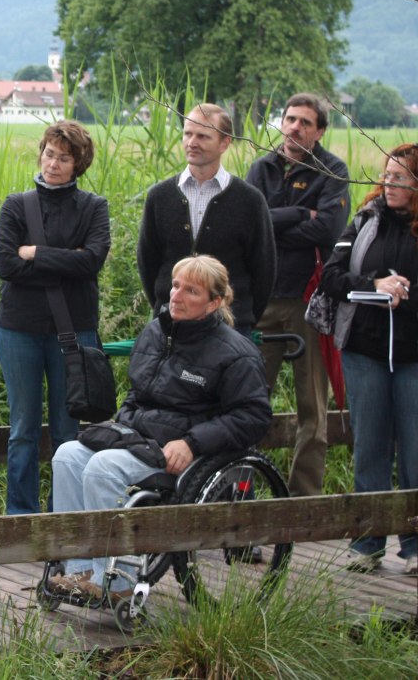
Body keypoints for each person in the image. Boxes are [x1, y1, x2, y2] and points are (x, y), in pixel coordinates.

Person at [47, 255, 272, 601]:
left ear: (214, 303)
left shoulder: (235, 354)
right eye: (176, 285)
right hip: (139, 437)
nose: (176, 295)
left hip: (184, 452)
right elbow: (137, 391)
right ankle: (80, 570)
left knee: (101, 469)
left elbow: (254, 417)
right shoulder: (155, 332)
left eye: (191, 291)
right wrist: (124, 422)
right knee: (67, 455)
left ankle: (117, 585)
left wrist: (192, 443)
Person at [319, 143, 418, 576]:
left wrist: (408, 295)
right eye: (387, 175)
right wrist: (374, 284)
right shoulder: (364, 220)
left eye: (400, 177)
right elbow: (331, 275)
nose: (390, 184)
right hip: (365, 351)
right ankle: (367, 543)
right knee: (370, 449)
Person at [0, 120, 110, 515]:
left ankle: (63, 514)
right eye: (49, 154)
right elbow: (7, 265)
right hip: (18, 329)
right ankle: (20, 515)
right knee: (23, 428)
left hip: (74, 329)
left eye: (64, 157)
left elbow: (92, 262)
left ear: (78, 164)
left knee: (67, 430)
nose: (54, 163)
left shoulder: (94, 207)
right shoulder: (16, 205)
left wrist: (36, 253)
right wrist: (67, 258)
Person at [245, 93, 350, 497]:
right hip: (262, 299)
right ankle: (242, 494)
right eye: (290, 120)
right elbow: (250, 225)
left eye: (306, 123)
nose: (295, 128)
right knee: (250, 403)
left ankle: (302, 500)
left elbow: (327, 231)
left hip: (309, 303)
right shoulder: (262, 168)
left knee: (313, 409)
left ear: (320, 131)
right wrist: (296, 216)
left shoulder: (333, 171)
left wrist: (275, 225)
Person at [137, 103, 275, 333]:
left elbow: (264, 270)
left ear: (224, 142)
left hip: (230, 326)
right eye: (187, 134)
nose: (192, 142)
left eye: (203, 136)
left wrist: (243, 317)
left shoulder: (249, 200)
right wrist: (168, 302)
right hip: (170, 324)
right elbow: (147, 262)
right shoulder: (159, 196)